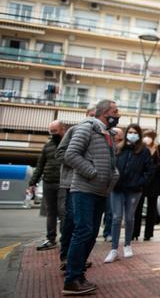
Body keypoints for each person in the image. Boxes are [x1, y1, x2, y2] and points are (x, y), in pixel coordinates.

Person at [62, 100, 120, 295]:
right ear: (103, 112)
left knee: (91, 233)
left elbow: (112, 162)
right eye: (114, 111)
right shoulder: (86, 128)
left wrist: (114, 176)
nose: (118, 115)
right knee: (83, 231)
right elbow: (70, 155)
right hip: (84, 189)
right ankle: (71, 280)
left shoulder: (110, 134)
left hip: (100, 192)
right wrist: (92, 172)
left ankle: (79, 275)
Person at [104, 124, 153, 263]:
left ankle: (127, 245)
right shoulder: (119, 148)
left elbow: (150, 171)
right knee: (116, 218)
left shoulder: (144, 151)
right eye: (130, 132)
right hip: (117, 188)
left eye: (134, 132)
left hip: (134, 190)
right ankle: (113, 249)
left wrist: (140, 183)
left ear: (139, 135)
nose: (132, 134)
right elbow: (111, 165)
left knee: (130, 218)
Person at [56, 106, 96, 271]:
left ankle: (78, 258)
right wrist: (81, 164)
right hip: (71, 183)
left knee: (85, 223)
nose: (93, 119)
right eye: (91, 116)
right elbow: (60, 154)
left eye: (96, 116)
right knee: (71, 219)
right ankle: (66, 256)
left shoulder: (99, 135)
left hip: (88, 184)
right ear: (86, 116)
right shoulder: (74, 130)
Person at [28, 120, 65, 251]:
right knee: (51, 213)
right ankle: (51, 239)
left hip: (63, 183)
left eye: (55, 131)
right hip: (48, 183)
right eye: (51, 131)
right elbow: (40, 165)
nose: (53, 134)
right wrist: (33, 182)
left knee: (63, 211)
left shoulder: (68, 145)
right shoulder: (47, 146)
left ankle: (65, 240)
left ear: (62, 129)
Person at [133, 129, 160, 241]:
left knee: (151, 209)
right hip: (142, 182)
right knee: (137, 208)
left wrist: (153, 168)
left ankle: (148, 234)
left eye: (149, 136)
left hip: (154, 183)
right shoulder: (140, 147)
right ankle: (135, 232)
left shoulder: (157, 148)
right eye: (145, 136)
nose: (147, 138)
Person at [103, 127, 124, 242]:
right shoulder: (106, 144)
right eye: (116, 134)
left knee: (111, 211)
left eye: (120, 135)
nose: (117, 137)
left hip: (115, 183)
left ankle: (108, 233)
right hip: (103, 181)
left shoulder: (123, 148)